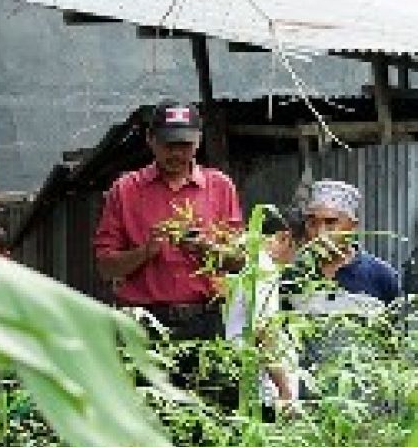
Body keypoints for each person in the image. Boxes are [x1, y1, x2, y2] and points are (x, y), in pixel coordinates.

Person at [93, 102, 242, 340]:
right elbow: (105, 267)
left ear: (198, 142)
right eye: (169, 145)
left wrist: (207, 249)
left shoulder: (220, 187)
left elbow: (240, 261)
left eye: (185, 145)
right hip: (143, 322)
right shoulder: (125, 190)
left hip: (206, 320)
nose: (176, 153)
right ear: (150, 140)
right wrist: (145, 252)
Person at [224, 209, 299, 406]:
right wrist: (285, 391)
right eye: (298, 250)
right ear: (285, 238)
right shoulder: (264, 269)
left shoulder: (251, 263)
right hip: (259, 390)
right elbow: (264, 332)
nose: (294, 260)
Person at [300, 179, 400, 303]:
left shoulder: (381, 276)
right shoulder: (295, 275)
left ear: (353, 226)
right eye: (312, 223)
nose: (321, 233)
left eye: (330, 222)